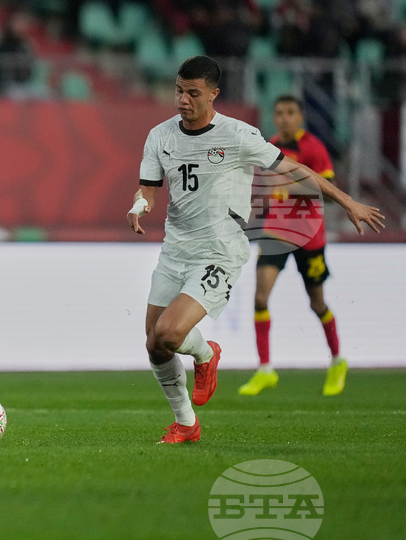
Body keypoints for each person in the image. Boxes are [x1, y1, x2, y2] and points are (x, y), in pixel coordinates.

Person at [127, 56, 384, 444]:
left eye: (192, 93)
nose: (182, 100)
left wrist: (347, 201)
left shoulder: (238, 135)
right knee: (154, 343)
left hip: (218, 251)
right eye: (179, 90)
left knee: (169, 332)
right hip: (174, 250)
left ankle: (206, 355)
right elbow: (148, 186)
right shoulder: (159, 136)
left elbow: (296, 171)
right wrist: (139, 204)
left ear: (213, 94)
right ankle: (186, 423)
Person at [240, 95, 346, 396]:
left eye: (290, 113)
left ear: (300, 117)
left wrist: (290, 185)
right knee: (260, 298)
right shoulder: (270, 147)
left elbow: (328, 192)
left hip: (310, 236)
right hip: (276, 232)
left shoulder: (313, 148)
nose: (284, 118)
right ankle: (265, 369)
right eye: (279, 113)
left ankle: (337, 360)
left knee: (317, 303)